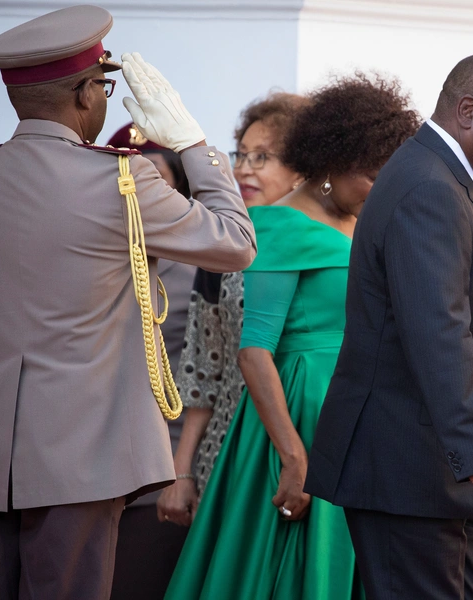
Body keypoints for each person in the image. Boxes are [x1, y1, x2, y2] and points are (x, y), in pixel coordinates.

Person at [0, 6, 256, 600]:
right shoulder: (122, 182)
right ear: (86, 94)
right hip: (83, 459)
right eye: (103, 88)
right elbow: (236, 243)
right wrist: (193, 144)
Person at [305, 52, 473, 600]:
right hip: (416, 475)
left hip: (443, 480)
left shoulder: (445, 179)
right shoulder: (429, 187)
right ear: (468, 110)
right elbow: (437, 331)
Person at [165, 72, 420, 600]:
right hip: (300, 416)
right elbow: (254, 351)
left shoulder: (359, 219)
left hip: (356, 415)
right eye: (374, 176)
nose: (382, 189)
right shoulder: (279, 226)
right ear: (335, 161)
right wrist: (296, 458)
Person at [157, 92, 308, 527]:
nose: (243, 168)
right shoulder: (222, 248)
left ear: (302, 168)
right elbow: (205, 369)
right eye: (240, 154)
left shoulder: (329, 248)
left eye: (262, 157)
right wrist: (181, 470)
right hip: (230, 443)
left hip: (306, 437)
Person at [103, 123, 197, 600]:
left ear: (178, 184)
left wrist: (185, 473)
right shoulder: (92, 256)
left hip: (165, 470)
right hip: (92, 469)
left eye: (151, 177)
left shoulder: (208, 262)